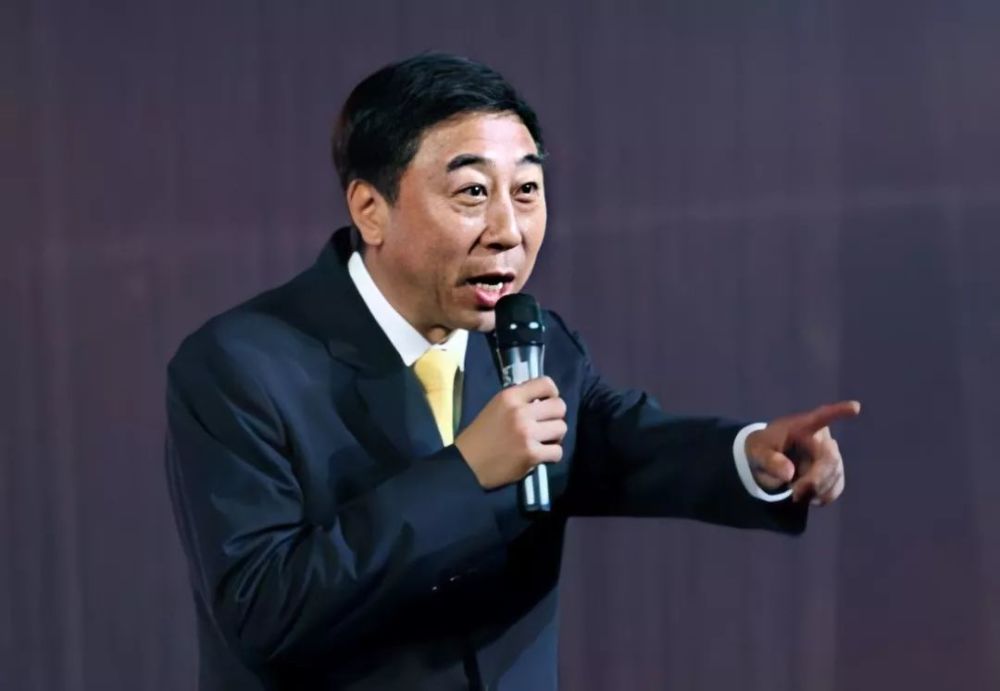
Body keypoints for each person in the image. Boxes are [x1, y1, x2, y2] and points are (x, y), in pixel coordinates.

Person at [165, 52, 860, 691]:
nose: (508, 229)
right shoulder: (240, 366)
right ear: (370, 210)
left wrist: (753, 456)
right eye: (472, 192)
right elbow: (262, 611)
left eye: (526, 190)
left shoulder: (532, 342)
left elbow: (624, 443)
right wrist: (466, 474)